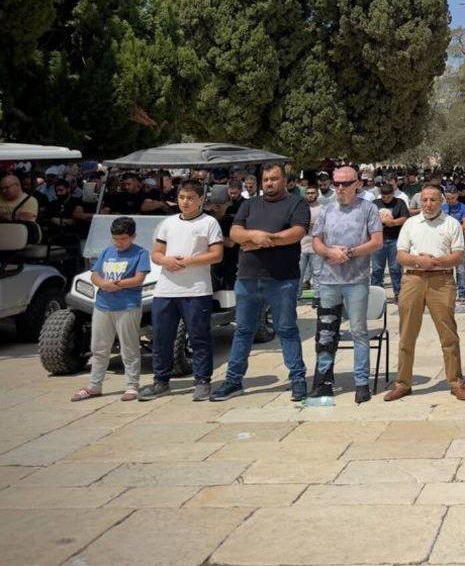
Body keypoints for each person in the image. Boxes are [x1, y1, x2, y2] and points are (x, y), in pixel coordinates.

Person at [210, 164, 312, 402]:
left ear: (284, 180)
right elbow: (235, 233)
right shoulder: (250, 204)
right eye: (266, 179)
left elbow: (296, 233)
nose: (269, 183)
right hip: (248, 278)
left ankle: (297, 379)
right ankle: (233, 381)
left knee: (286, 329)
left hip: (282, 279)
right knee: (243, 331)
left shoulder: (296, 203)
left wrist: (262, 240)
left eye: (274, 179)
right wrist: (254, 236)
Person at [137, 182, 224, 402]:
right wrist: (165, 260)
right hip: (166, 290)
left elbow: (217, 254)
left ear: (201, 199)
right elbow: (156, 253)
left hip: (196, 290)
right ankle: (161, 381)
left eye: (191, 198)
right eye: (182, 197)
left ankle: (202, 381)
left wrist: (189, 261)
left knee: (199, 337)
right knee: (161, 337)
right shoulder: (168, 223)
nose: (185, 202)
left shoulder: (209, 223)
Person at [386, 184, 465, 402]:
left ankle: (456, 382)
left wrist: (435, 262)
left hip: (441, 281)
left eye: (433, 200)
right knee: (407, 334)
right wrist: (419, 261)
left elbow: (459, 255)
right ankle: (403, 383)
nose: (428, 204)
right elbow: (401, 255)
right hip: (413, 279)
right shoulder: (411, 223)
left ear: (441, 201)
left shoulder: (451, 224)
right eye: (424, 200)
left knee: (448, 334)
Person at [307, 166, 383, 402]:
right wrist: (329, 252)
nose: (340, 188)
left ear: (357, 184)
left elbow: (377, 242)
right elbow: (316, 241)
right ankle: (323, 381)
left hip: (356, 281)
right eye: (336, 183)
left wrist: (348, 253)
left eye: (345, 183)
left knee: (358, 331)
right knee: (326, 332)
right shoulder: (326, 209)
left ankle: (362, 383)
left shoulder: (368, 209)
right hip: (328, 281)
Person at [71, 216, 149, 402]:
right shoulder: (107, 251)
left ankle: (132, 386)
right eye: (115, 239)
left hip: (127, 306)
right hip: (103, 305)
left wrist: (117, 285)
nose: (119, 243)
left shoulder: (141, 253)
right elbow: (95, 275)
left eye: (123, 239)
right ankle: (94, 386)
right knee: (99, 347)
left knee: (129, 347)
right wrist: (103, 284)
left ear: (133, 236)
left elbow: (139, 279)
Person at [369, 183, 409, 302]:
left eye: (389, 197)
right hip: (378, 240)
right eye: (384, 197)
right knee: (377, 269)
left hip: (395, 239)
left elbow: (405, 218)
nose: (386, 199)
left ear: (393, 194)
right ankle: (376, 295)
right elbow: (368, 218)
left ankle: (398, 294)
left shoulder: (400, 203)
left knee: (395, 268)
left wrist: (393, 222)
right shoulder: (375, 203)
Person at [442, 186, 465, 303]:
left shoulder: (464, 208)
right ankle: (448, 293)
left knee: (460, 269)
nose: (450, 201)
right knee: (447, 269)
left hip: (459, 241)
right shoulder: (442, 207)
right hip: (445, 242)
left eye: (452, 198)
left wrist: (453, 232)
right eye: (447, 198)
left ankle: (462, 294)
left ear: (457, 196)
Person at [298, 185, 324, 297]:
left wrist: (316, 225)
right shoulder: (301, 208)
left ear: (317, 194)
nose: (310, 195)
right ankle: (296, 296)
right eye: (308, 193)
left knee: (318, 273)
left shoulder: (323, 209)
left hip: (317, 245)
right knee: (299, 273)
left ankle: (317, 297)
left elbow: (327, 225)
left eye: (313, 193)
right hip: (302, 245)